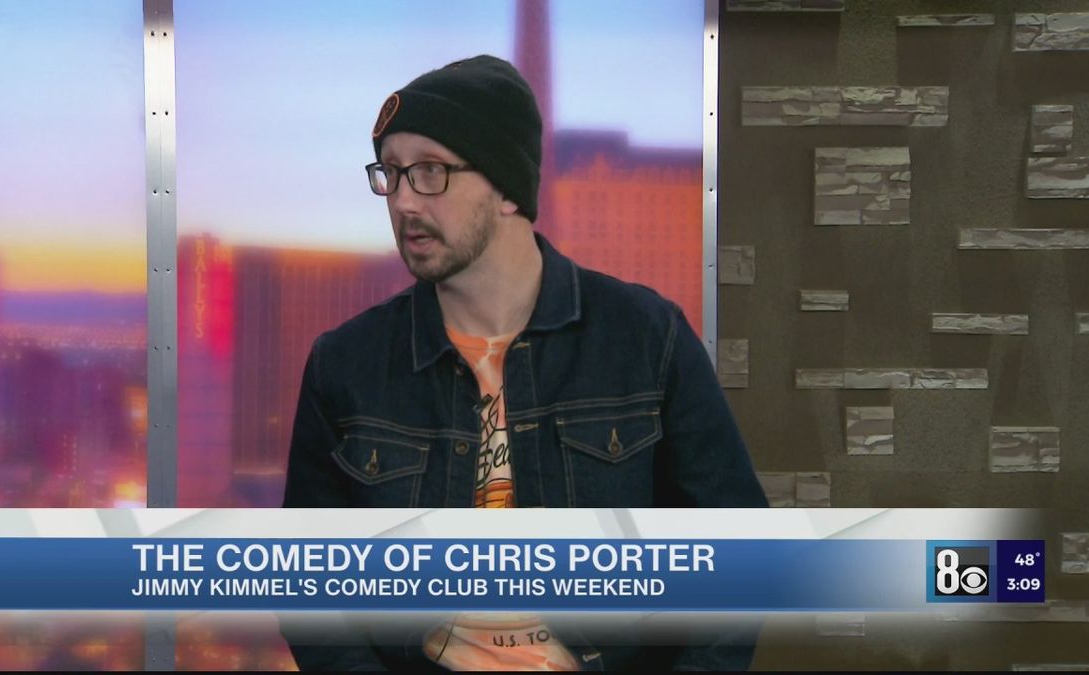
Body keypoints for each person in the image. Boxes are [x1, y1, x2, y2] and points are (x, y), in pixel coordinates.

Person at [281, 55, 767, 671]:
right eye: (392, 173)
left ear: (507, 189)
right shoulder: (346, 365)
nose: (402, 201)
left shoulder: (647, 339)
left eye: (429, 172)